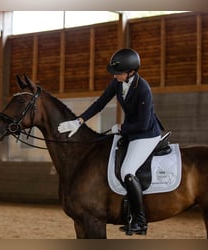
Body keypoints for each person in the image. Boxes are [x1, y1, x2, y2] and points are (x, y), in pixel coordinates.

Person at [57, 48, 162, 235]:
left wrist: (121, 128)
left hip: (146, 134)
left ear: (132, 72)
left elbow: (144, 123)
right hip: (129, 131)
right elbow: (100, 103)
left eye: (118, 73)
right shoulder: (118, 84)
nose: (114, 77)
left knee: (127, 170)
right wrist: (79, 121)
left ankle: (140, 220)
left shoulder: (143, 87)